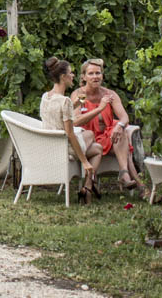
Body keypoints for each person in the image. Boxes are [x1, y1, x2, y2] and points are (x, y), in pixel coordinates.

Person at [72, 58, 146, 196]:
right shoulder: (80, 95)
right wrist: (99, 109)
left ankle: (124, 174)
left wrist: (120, 125)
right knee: (127, 152)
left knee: (120, 132)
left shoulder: (109, 94)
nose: (95, 77)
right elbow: (75, 122)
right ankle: (140, 186)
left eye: (98, 73)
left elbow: (124, 117)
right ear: (83, 77)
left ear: (102, 75)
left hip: (108, 136)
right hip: (89, 139)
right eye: (91, 73)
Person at [40, 57, 99, 204]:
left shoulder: (46, 97)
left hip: (49, 144)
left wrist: (76, 102)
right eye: (71, 73)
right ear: (63, 77)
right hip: (63, 148)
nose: (73, 76)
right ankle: (88, 186)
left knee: (97, 148)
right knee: (92, 137)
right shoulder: (64, 101)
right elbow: (70, 133)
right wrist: (85, 162)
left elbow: (58, 113)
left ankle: (88, 187)